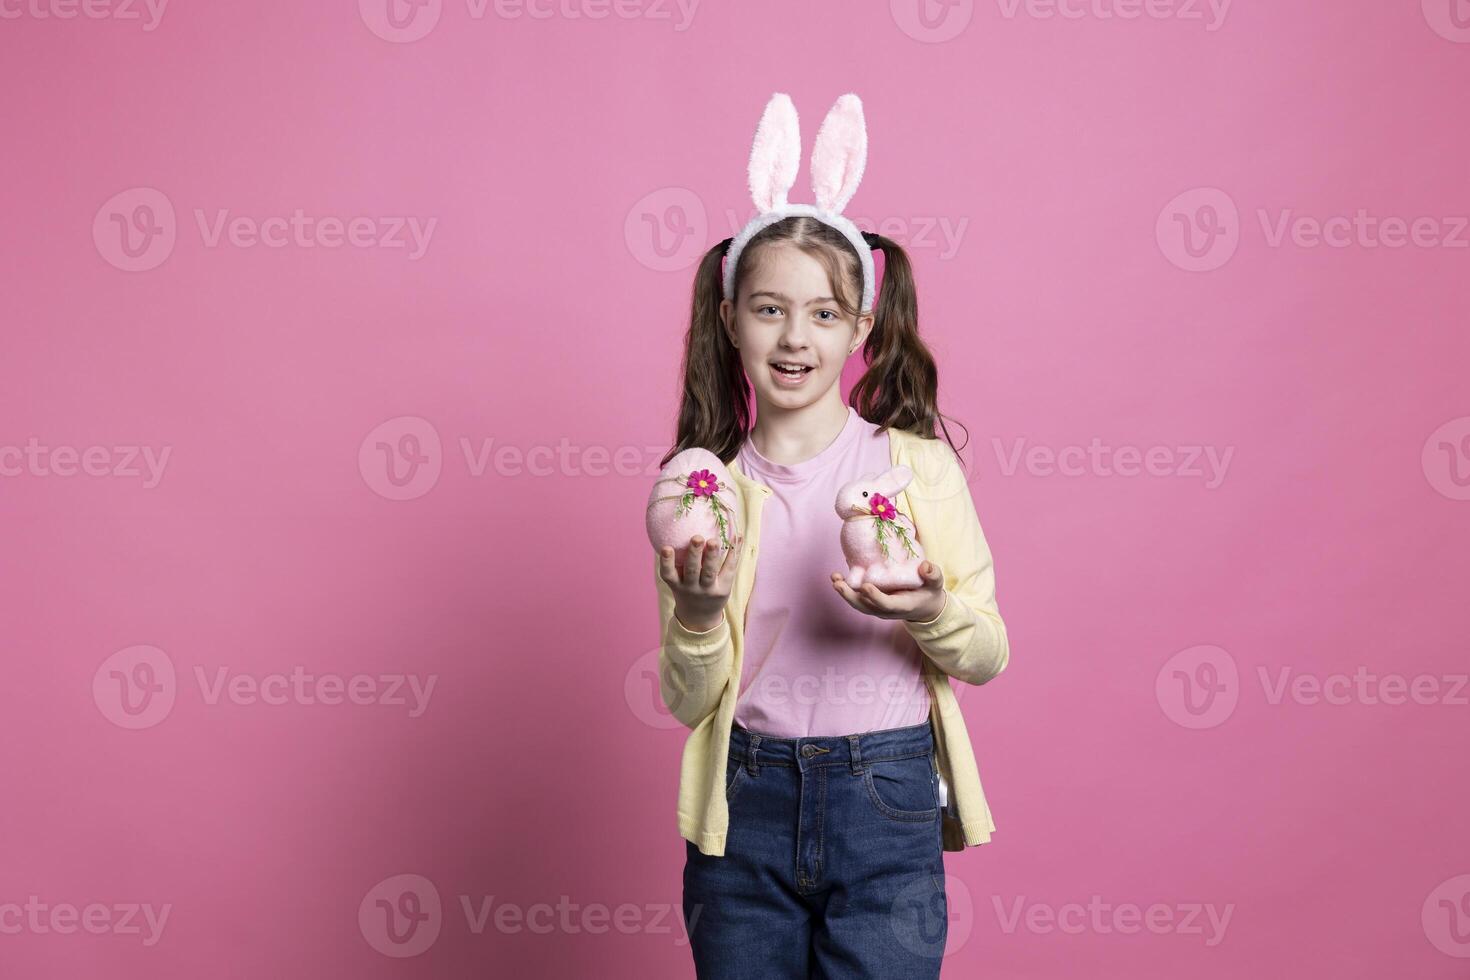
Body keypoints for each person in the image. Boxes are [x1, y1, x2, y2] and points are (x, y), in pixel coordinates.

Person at [653, 93, 1011, 978]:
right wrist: (698, 614)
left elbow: (987, 652)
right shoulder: (707, 492)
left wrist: (929, 607)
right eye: (769, 309)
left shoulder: (915, 469)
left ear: (860, 328)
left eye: (822, 313)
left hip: (884, 800)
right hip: (745, 810)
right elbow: (688, 699)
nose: (794, 336)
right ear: (730, 318)